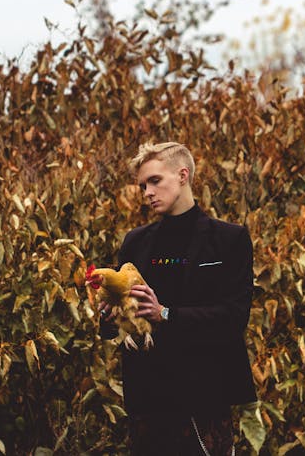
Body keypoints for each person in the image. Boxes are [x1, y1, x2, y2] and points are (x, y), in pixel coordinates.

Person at [97, 142, 257, 455]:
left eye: (155, 181)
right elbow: (118, 329)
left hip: (204, 398)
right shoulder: (136, 242)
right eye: (143, 185)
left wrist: (166, 314)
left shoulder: (229, 239)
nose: (147, 192)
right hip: (149, 401)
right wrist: (109, 315)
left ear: (182, 175)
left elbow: (234, 317)